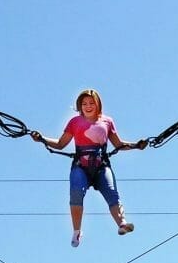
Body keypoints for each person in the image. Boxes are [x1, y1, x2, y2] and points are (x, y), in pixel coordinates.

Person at [30, 88, 147, 247]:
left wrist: (136, 146)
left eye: (91, 103)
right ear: (80, 106)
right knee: (76, 193)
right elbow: (60, 144)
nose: (88, 106)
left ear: (98, 104)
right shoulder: (74, 122)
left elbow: (118, 145)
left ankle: (122, 223)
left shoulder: (107, 121)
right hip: (81, 166)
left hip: (101, 165)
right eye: (84, 103)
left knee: (112, 192)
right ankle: (77, 232)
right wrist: (42, 139)